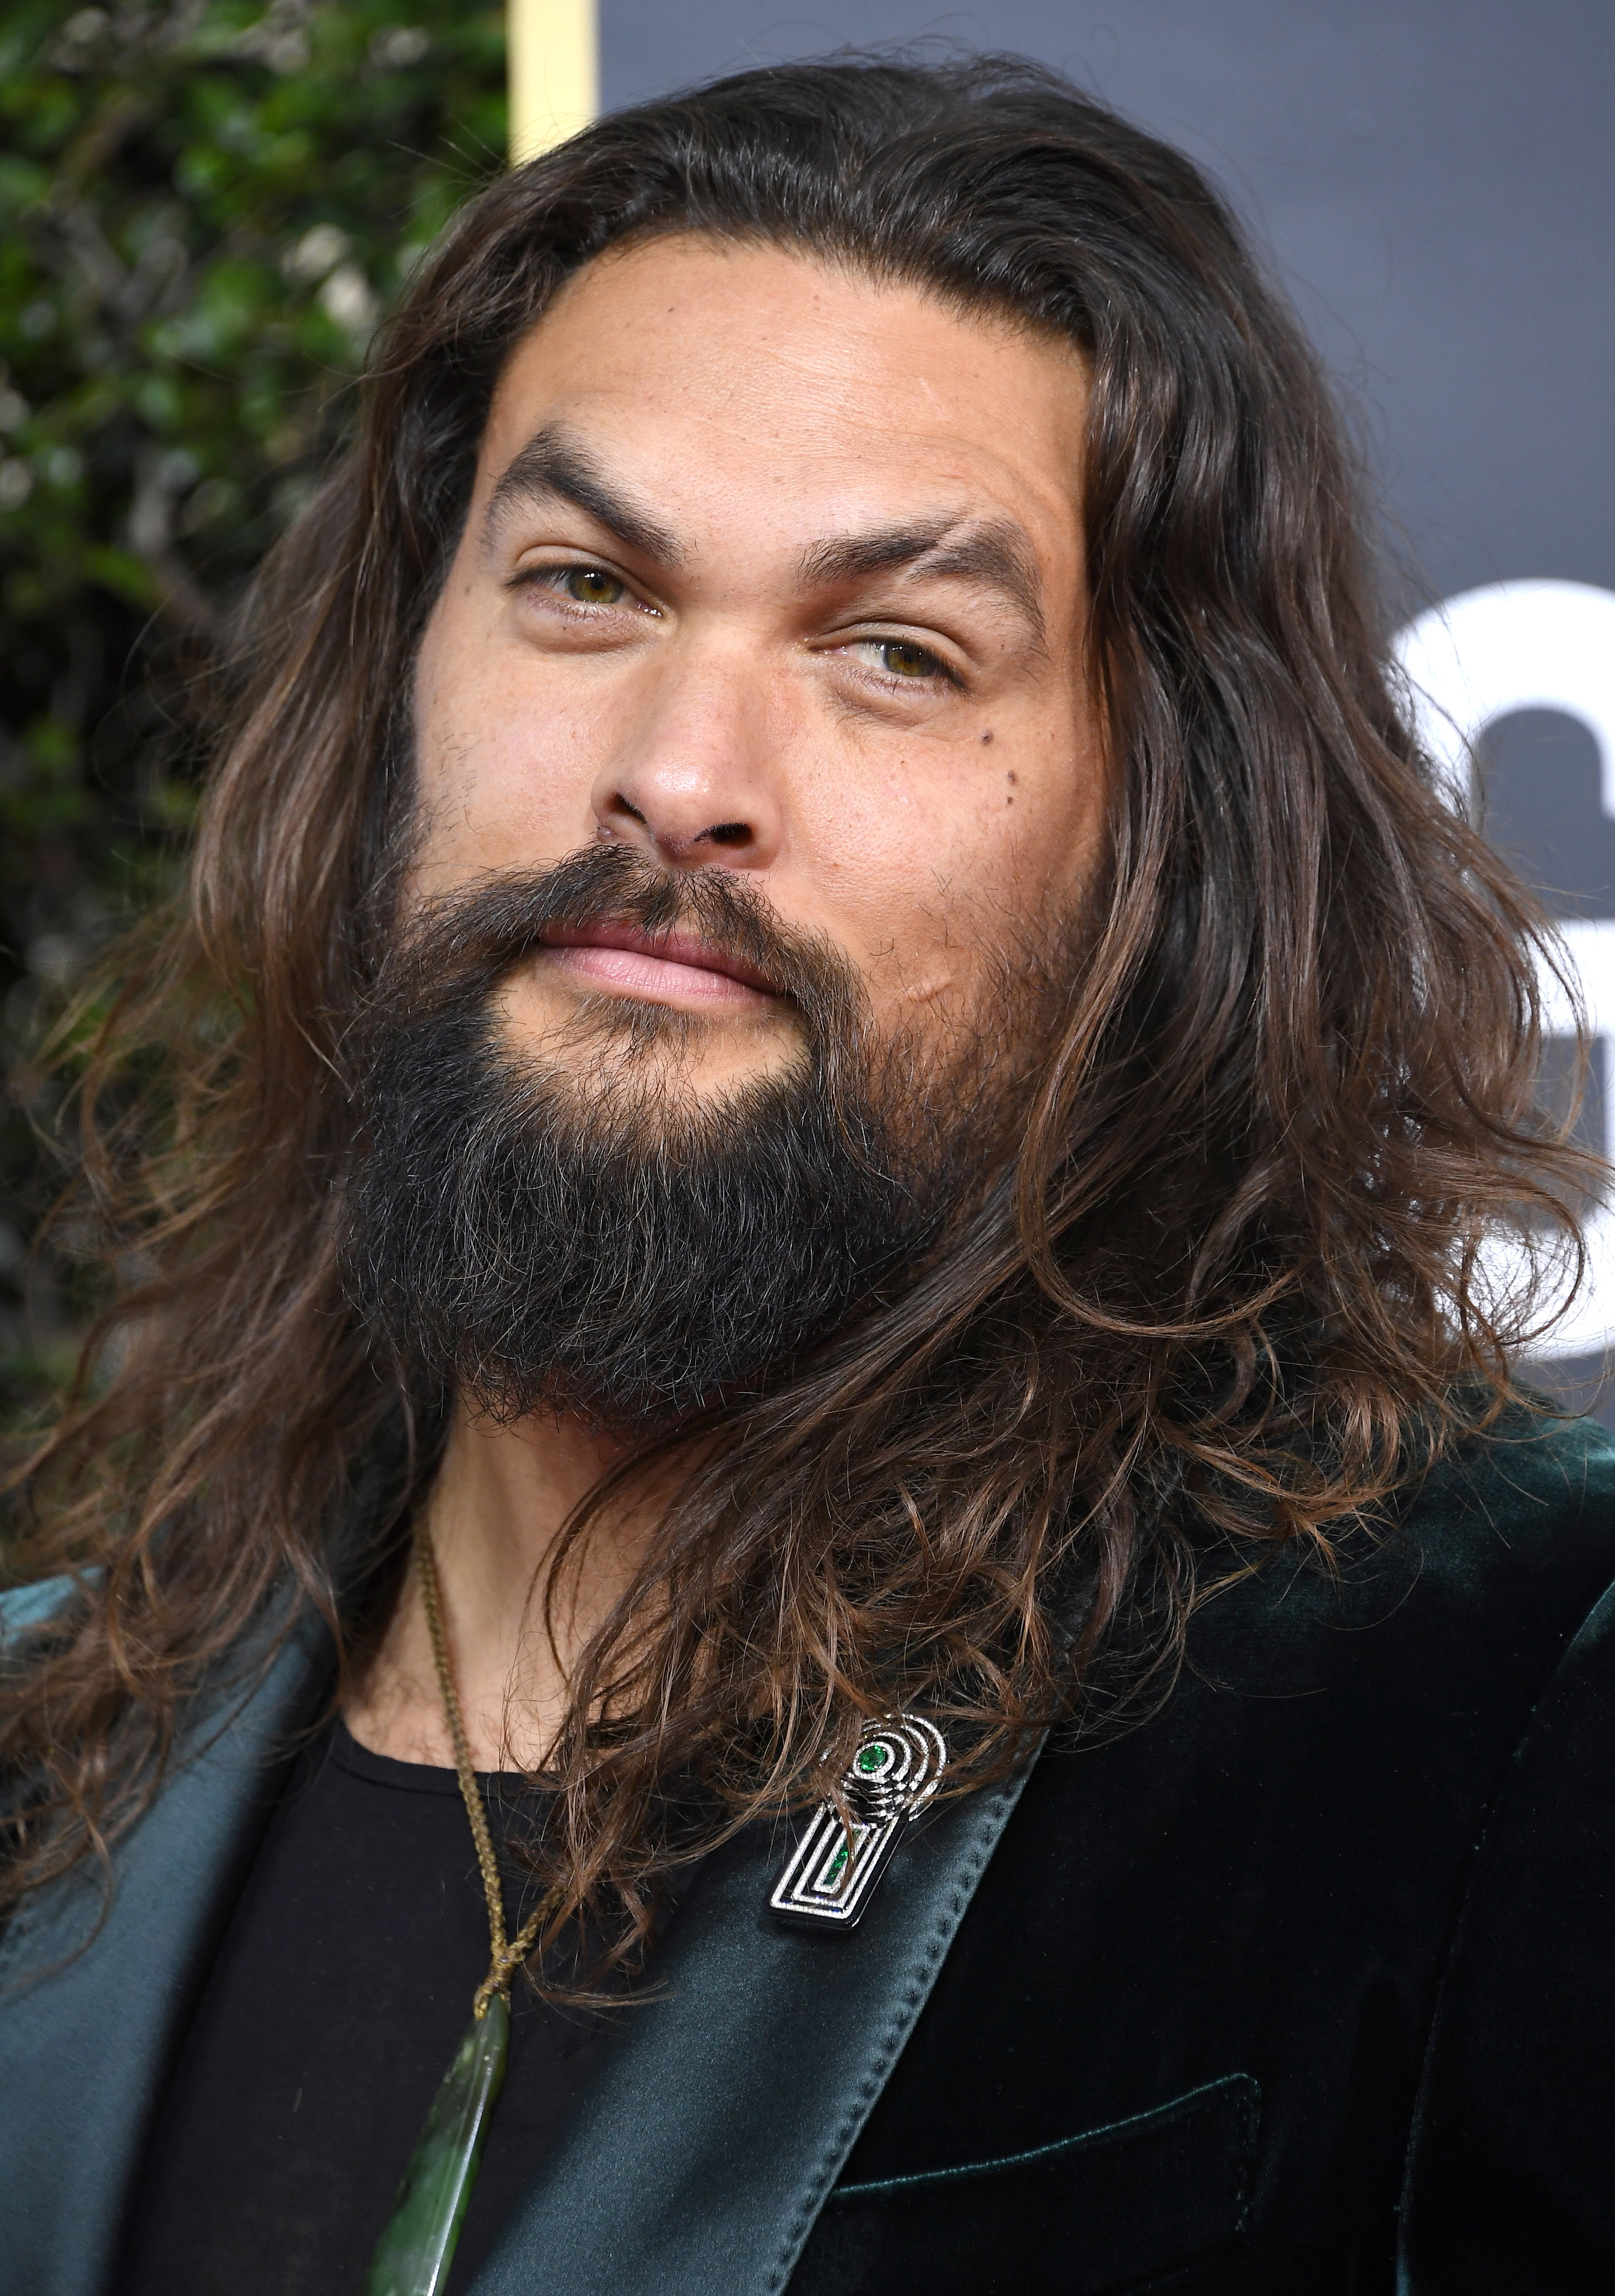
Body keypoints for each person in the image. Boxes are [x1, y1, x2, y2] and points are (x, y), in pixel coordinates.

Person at [2, 52, 1612, 2296]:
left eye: (893, 652)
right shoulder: (41, 1750)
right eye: (584, 583)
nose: (677, 773)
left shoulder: (1488, 1707)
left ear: (1164, 847)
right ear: (391, 693)